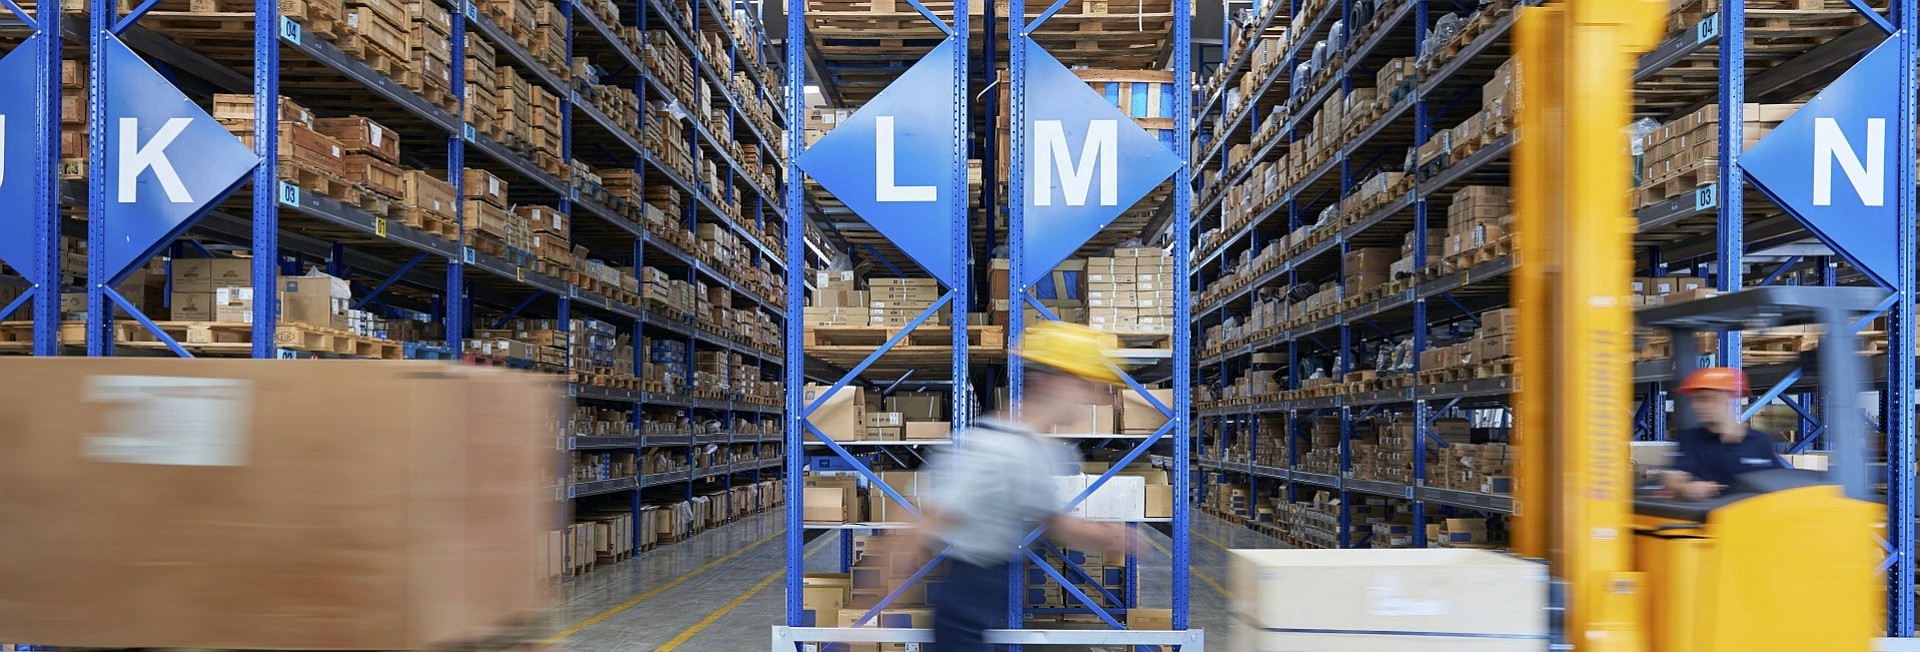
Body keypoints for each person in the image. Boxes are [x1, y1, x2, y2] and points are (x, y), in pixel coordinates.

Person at [912, 321, 1135, 652]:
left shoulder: (1039, 449)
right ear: (1049, 381)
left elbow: (1053, 523)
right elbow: (923, 526)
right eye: (1086, 385)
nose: (1096, 398)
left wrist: (1107, 536)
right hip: (964, 607)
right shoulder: (990, 446)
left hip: (992, 596)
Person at [1662, 366, 1784, 501]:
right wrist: (1686, 489)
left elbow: (1779, 482)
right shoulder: (1690, 440)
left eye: (1704, 399)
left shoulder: (1759, 441)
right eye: (1694, 400)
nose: (1695, 406)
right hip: (1711, 517)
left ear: (1727, 397)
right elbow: (1672, 479)